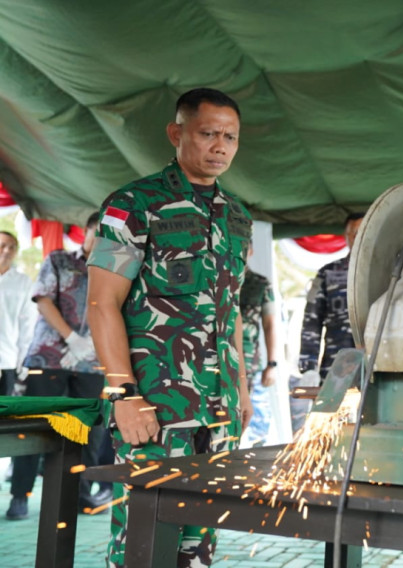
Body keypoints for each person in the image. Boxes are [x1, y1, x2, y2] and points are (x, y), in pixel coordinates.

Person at [87, 87, 253, 568]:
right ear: (177, 133)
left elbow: (232, 309)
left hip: (219, 406)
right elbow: (102, 302)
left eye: (230, 137)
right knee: (143, 538)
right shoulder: (134, 204)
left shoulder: (237, 217)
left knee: (200, 541)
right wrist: (123, 394)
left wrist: (240, 388)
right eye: (207, 134)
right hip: (156, 406)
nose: (220, 146)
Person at [7, 214, 111, 521]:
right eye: (98, 232)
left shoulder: (116, 271)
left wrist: (94, 345)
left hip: (93, 364)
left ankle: (79, 494)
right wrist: (71, 338)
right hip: (48, 357)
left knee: (87, 433)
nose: (102, 240)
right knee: (35, 427)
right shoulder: (60, 259)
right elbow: (42, 299)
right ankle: (20, 495)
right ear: (86, 232)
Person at [295, 212, 365, 387]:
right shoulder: (328, 273)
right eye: (356, 232)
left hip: (379, 367)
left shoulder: (390, 273)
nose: (361, 237)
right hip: (337, 367)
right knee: (334, 414)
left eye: (366, 231)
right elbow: (311, 321)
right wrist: (308, 367)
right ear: (347, 236)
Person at [238, 258, 276, 447]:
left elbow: (270, 325)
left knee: (253, 420)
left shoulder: (260, 284)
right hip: (222, 361)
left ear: (251, 250)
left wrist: (272, 364)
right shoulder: (220, 276)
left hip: (250, 361)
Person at [0, 231, 34, 397]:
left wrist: (23, 360)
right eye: (2, 245)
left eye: (12, 247)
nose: (7, 250)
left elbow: (28, 324)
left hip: (8, 360)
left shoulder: (24, 283)